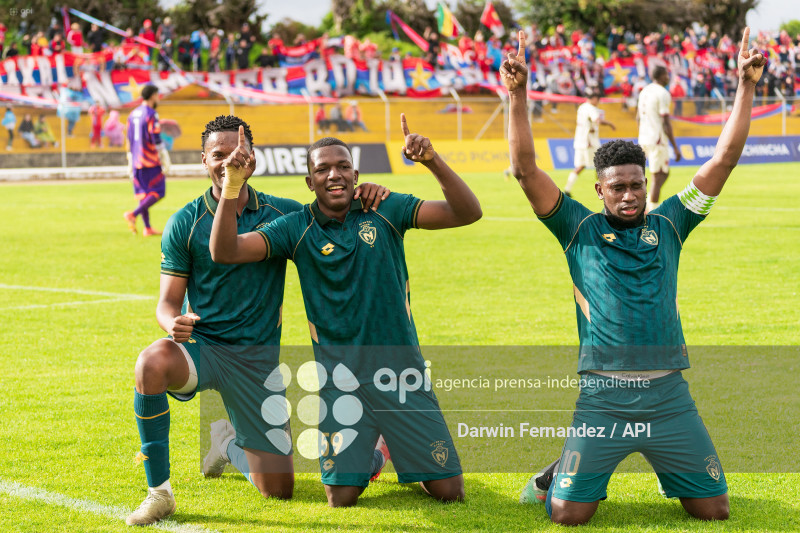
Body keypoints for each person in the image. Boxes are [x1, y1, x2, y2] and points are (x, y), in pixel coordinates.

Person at [502, 28, 765, 525]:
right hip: (604, 399)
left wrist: (746, 85)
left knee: (713, 510)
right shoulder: (576, 227)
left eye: (636, 185)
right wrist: (518, 95)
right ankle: (557, 475)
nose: (627, 194)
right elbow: (524, 169)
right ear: (599, 189)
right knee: (567, 515)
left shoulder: (671, 223)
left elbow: (723, 159)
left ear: (647, 185)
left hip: (669, 397)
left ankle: (640, 463)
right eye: (616, 187)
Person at [126, 114, 390, 526]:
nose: (228, 161)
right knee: (150, 363)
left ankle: (227, 442)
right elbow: (167, 302)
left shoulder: (281, 214)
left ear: (252, 158)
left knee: (279, 491)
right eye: (219, 154)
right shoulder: (184, 221)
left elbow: (334, 211)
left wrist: (365, 194)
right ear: (203, 160)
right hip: (205, 349)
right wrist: (170, 323)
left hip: (256, 365)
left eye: (238, 152)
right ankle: (159, 493)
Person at [208, 114, 481, 508]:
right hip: (342, 384)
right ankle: (381, 450)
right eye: (322, 169)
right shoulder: (295, 228)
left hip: (401, 378)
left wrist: (431, 161)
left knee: (449, 493)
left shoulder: (387, 208)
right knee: (341, 497)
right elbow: (224, 251)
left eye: (342, 166)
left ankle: (394, 443)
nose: (333, 175)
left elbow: (467, 212)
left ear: (356, 174)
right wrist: (233, 185)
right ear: (309, 181)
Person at [124, 84, 171, 236]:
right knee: (159, 191)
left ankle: (148, 228)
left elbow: (129, 138)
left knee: (144, 194)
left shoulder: (132, 114)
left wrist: (130, 158)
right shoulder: (151, 114)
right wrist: (163, 155)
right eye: (157, 95)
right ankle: (133, 214)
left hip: (136, 159)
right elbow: (155, 136)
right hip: (149, 160)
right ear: (152, 96)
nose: (158, 98)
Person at [637, 65, 682, 211]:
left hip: (643, 138)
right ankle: (648, 212)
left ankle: (647, 204)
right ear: (661, 76)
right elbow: (665, 121)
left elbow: (637, 117)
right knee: (657, 176)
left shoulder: (644, 91)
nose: (668, 77)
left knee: (663, 173)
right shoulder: (662, 93)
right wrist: (675, 147)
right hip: (657, 139)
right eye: (667, 75)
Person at [563, 90, 615, 197]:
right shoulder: (592, 109)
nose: (598, 102)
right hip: (589, 142)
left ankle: (567, 189)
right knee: (602, 164)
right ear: (595, 98)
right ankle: (605, 190)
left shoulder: (581, 107)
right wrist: (610, 124)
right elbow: (597, 120)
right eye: (598, 99)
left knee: (580, 166)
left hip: (579, 141)